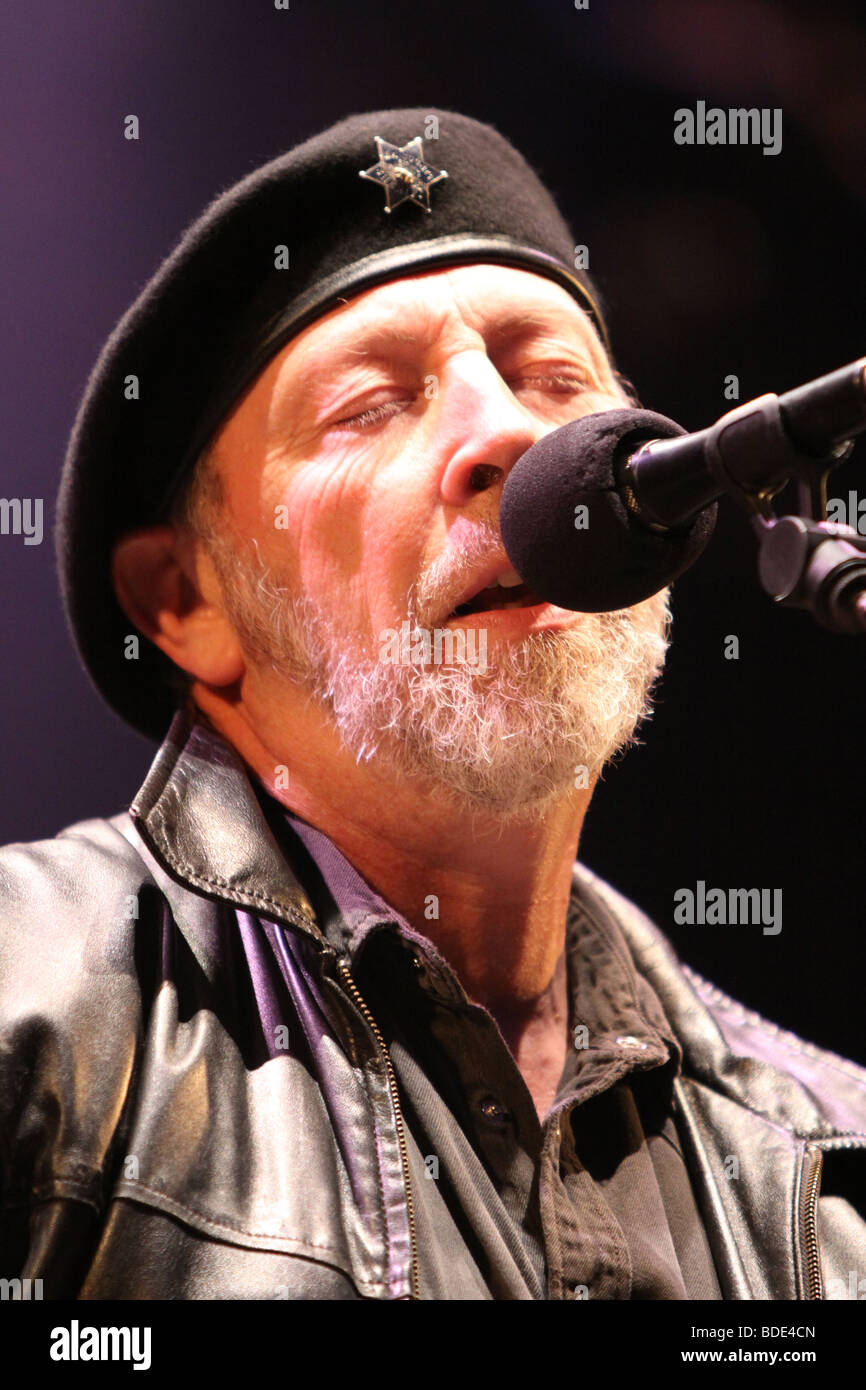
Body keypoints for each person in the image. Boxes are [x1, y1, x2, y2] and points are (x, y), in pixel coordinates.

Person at [2, 107, 864, 1301]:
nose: (505, 433)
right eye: (368, 405)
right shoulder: (24, 1003)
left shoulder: (827, 1166)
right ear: (187, 599)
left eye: (551, 380)